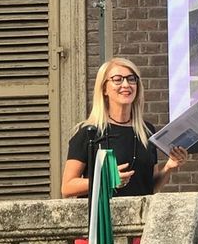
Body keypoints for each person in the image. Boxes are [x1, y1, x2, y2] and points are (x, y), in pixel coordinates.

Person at [62, 57, 189, 200]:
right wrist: (106, 180)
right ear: (104, 89)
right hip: (104, 214)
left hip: (142, 213)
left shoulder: (146, 130)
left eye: (131, 79)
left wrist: (169, 167)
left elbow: (150, 187)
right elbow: (67, 187)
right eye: (117, 79)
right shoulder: (89, 132)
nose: (126, 84)